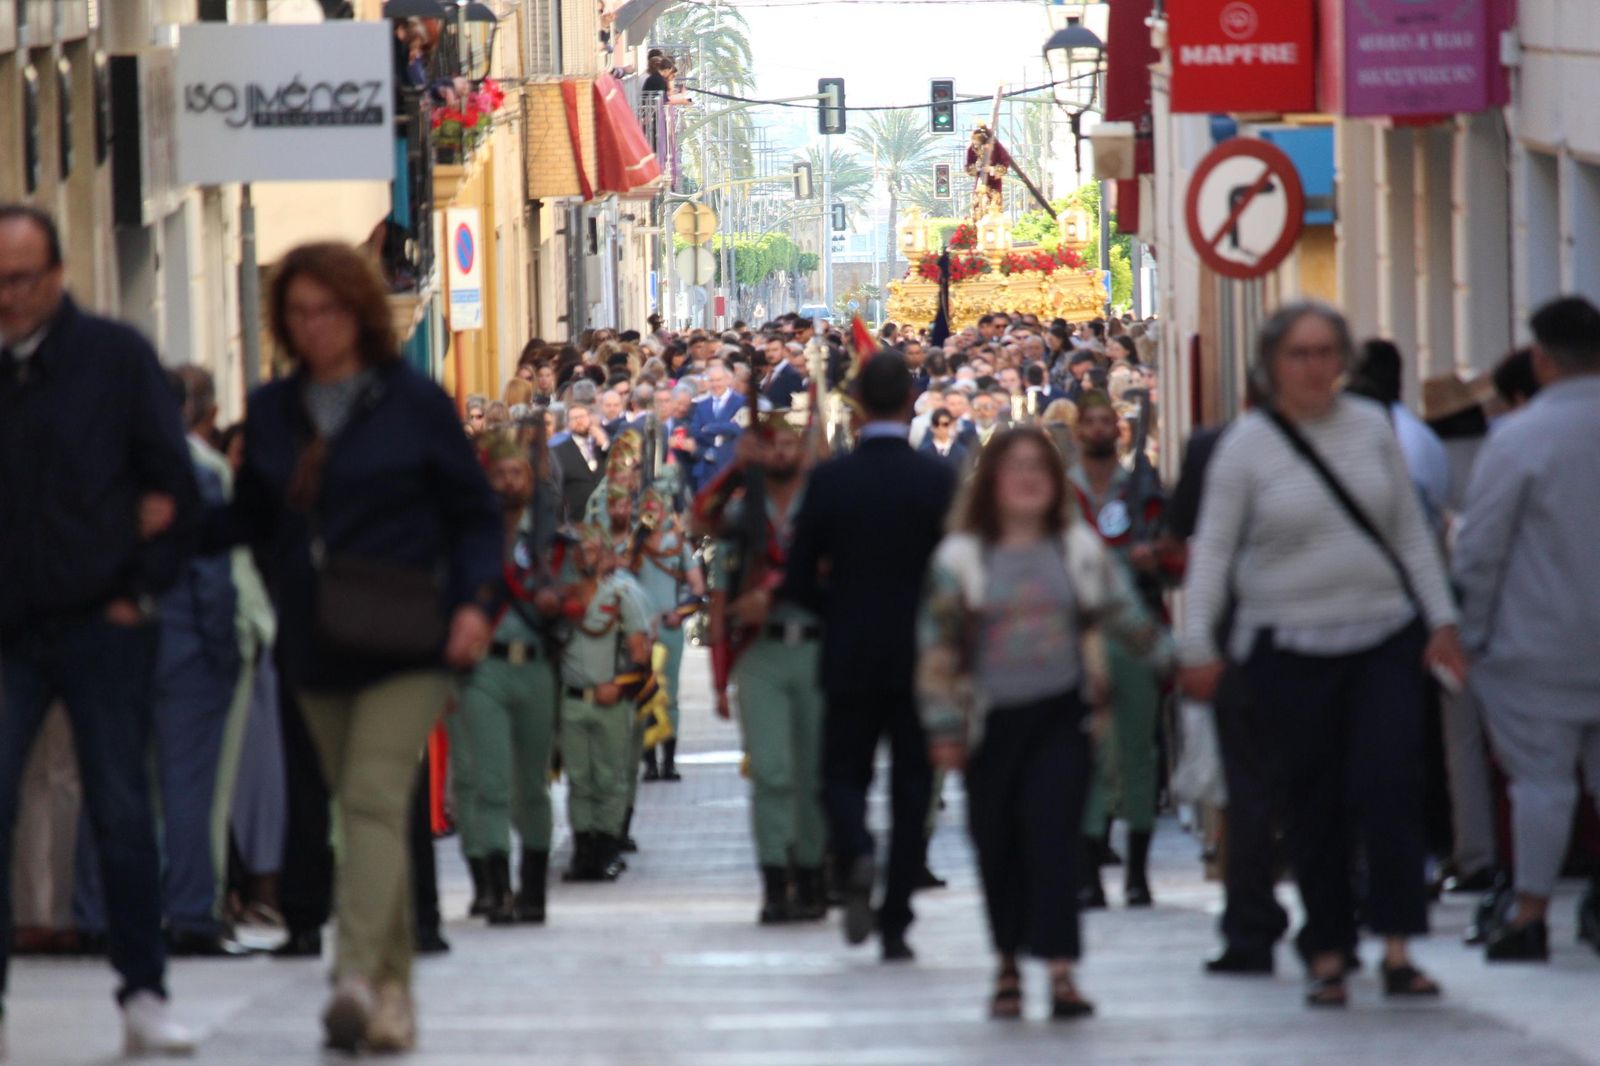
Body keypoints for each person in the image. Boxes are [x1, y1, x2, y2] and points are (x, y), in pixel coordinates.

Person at [205, 241, 501, 1053]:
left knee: (373, 798)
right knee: (360, 813)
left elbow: (475, 515)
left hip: (410, 633)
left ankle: (354, 976)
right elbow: (252, 521)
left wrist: (477, 603)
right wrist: (167, 521)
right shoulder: (272, 411)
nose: (314, 326)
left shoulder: (413, 403)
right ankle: (394, 1000)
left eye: (328, 309)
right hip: (314, 639)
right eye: (298, 312)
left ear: (360, 311)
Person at [1178, 301, 1466, 1008]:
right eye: (1297, 355)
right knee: (1316, 802)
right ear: (1272, 367)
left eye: (1323, 353)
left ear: (1342, 362)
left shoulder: (1371, 430)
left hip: (1381, 637)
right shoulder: (1246, 446)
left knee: (1390, 786)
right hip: (1288, 647)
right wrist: (1197, 643)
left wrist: (1442, 621)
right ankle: (1328, 949)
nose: (1311, 368)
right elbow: (1212, 548)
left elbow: (1408, 534)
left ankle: (1398, 947)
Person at [0, 203, 200, 1057]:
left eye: (20, 279)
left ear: (57, 275)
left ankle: (144, 992)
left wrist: (136, 589)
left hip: (103, 621)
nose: (7, 298)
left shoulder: (115, 361)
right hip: (7, 631)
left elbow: (177, 492)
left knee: (120, 808)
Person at [919, 428, 1165, 1020]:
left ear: (1055, 482)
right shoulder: (961, 558)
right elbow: (937, 648)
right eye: (1015, 466)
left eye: (1039, 467)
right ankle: (1007, 963)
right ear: (991, 482)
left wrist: (1179, 659)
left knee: (1054, 839)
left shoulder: (1078, 549)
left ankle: (1060, 971)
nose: (1028, 476)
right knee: (998, 844)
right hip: (990, 724)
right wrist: (943, 725)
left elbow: (1125, 613)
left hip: (1063, 714)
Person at [782, 351, 957, 962]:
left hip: (850, 652)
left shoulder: (831, 483)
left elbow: (796, 581)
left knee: (841, 775)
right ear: (912, 402)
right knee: (914, 788)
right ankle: (896, 921)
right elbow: (957, 577)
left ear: (855, 407)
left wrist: (841, 611)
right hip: (919, 658)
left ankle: (854, 849)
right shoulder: (938, 481)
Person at [1453, 296, 1600, 963]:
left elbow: (1481, 548)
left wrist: (1469, 633)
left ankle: (1532, 912)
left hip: (1538, 643)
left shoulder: (1519, 438)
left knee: (1540, 783)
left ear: (1541, 359)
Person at [696, 416, 828, 925]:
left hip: (817, 646)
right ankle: (776, 880)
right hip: (760, 654)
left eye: (788, 444)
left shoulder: (821, 503)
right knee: (771, 771)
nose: (780, 454)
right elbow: (699, 519)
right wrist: (735, 467)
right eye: (770, 447)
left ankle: (812, 874)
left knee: (812, 771)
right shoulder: (742, 508)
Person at [453, 431, 562, 926]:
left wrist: (560, 603)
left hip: (537, 663)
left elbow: (577, 599)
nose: (510, 482)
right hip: (485, 668)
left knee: (532, 785)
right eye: (500, 474)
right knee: (490, 781)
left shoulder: (550, 542)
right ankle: (496, 888)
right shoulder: (471, 539)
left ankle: (534, 890)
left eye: (518, 473)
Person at [156, 368, 246, 957]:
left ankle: (96, 912)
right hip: (187, 648)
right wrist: (226, 650)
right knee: (190, 788)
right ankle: (190, 912)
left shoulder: (98, 467)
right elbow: (213, 574)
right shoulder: (196, 472)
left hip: (112, 644)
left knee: (115, 787)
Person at [1068, 390, 1169, 909]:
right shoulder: (1064, 496)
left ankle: (1137, 871)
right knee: (1087, 754)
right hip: (1079, 635)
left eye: (1109, 421)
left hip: (1134, 632)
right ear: (1079, 429)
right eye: (1092, 422)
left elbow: (1173, 552)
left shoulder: (1141, 489)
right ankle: (1088, 869)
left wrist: (1157, 556)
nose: (1101, 430)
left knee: (1138, 754)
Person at [557, 524, 653, 883]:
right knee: (579, 781)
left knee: (610, 779)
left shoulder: (621, 595)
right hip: (572, 700)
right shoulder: (563, 599)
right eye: (579, 549)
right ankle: (583, 852)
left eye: (592, 548)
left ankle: (608, 851)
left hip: (610, 701)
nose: (584, 554)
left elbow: (641, 656)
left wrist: (619, 685)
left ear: (606, 555)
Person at [631, 488, 703, 783]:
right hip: (642, 631)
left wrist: (681, 613)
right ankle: (649, 762)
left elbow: (697, 586)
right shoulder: (635, 545)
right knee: (644, 693)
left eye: (656, 508)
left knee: (669, 694)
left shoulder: (678, 545)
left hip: (669, 629)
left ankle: (669, 762)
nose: (653, 514)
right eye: (647, 508)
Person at [687, 361, 746, 492]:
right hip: (706, 469)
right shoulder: (701, 405)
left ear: (728, 380)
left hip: (732, 466)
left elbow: (740, 429)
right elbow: (695, 432)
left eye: (718, 380)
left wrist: (710, 427)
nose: (715, 384)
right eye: (711, 381)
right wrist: (724, 432)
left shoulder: (742, 402)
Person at [554, 402, 609, 523]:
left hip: (605, 514)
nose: (579, 421)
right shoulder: (559, 451)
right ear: (567, 423)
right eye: (574, 418)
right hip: (577, 517)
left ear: (590, 418)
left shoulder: (603, 444)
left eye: (582, 416)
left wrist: (604, 444)